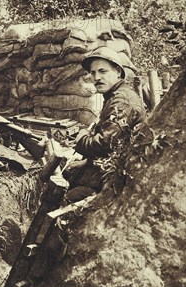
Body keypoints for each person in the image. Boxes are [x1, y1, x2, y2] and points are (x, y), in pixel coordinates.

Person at [63, 46, 147, 202]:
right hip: (111, 169)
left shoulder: (122, 101)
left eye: (103, 71)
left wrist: (81, 140)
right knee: (68, 174)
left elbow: (106, 143)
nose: (96, 77)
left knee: (67, 199)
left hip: (118, 181)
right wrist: (86, 162)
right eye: (93, 73)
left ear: (117, 72)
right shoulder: (113, 97)